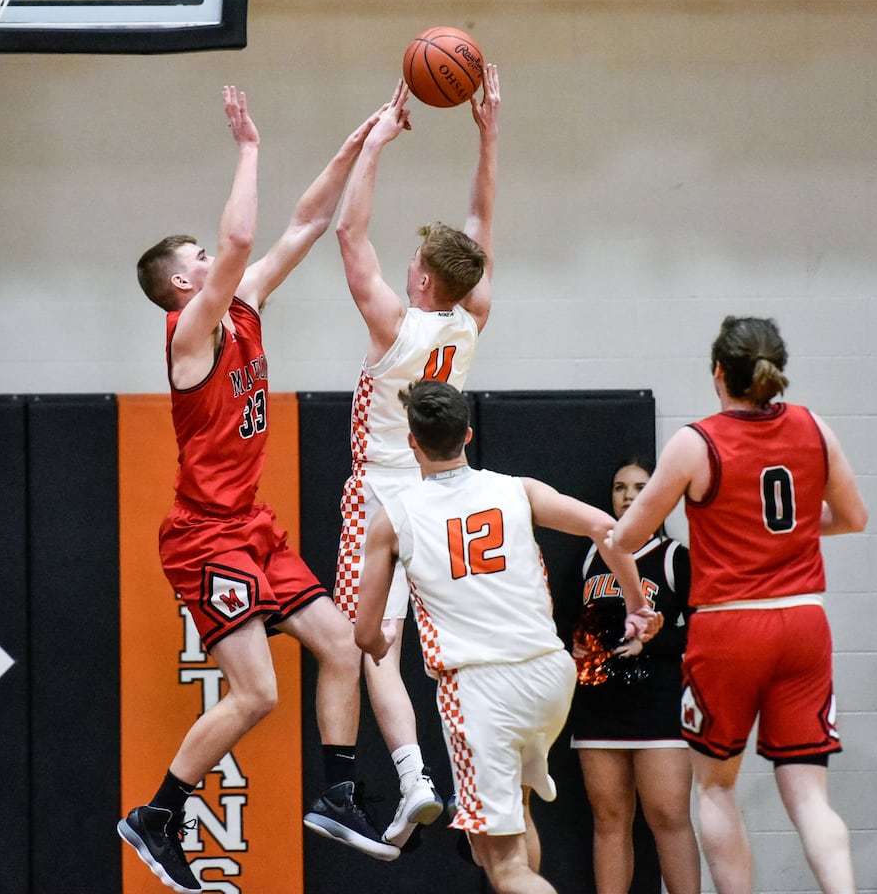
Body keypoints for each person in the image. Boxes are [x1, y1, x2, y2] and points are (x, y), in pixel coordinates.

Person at [120, 87, 399, 894]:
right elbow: (240, 238)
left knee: (343, 646)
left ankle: (338, 795)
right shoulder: (190, 333)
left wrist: (357, 146)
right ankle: (159, 816)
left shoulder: (240, 307)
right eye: (198, 260)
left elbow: (303, 226)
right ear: (179, 284)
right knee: (258, 694)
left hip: (250, 524)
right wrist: (248, 147)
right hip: (205, 535)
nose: (214, 261)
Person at [355, 380, 655, 894]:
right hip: (549, 676)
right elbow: (607, 527)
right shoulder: (518, 488)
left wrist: (378, 643)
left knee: (503, 864)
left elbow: (365, 631)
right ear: (467, 435)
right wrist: (636, 603)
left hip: (482, 692)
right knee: (515, 817)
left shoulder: (392, 519)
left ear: (412, 443)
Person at [610, 316, 867, 894]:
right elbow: (854, 518)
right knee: (809, 797)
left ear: (719, 372)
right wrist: (790, 533)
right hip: (805, 619)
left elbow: (626, 539)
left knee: (717, 787)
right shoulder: (815, 427)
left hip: (729, 626)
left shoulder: (695, 442)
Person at [332, 64, 500, 845]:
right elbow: (480, 228)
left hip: (383, 500)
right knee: (440, 653)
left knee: (370, 646)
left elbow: (346, 233)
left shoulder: (395, 327)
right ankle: (460, 780)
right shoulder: (470, 321)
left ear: (425, 278)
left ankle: (410, 779)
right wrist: (488, 135)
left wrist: (375, 142)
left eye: (418, 260)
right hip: (444, 496)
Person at [569, 457, 700, 894]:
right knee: (609, 820)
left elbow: (705, 635)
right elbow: (569, 621)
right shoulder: (590, 555)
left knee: (668, 818)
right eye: (620, 487)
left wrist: (652, 643)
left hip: (658, 704)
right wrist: (574, 646)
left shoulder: (675, 557)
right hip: (598, 704)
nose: (628, 496)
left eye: (641, 487)